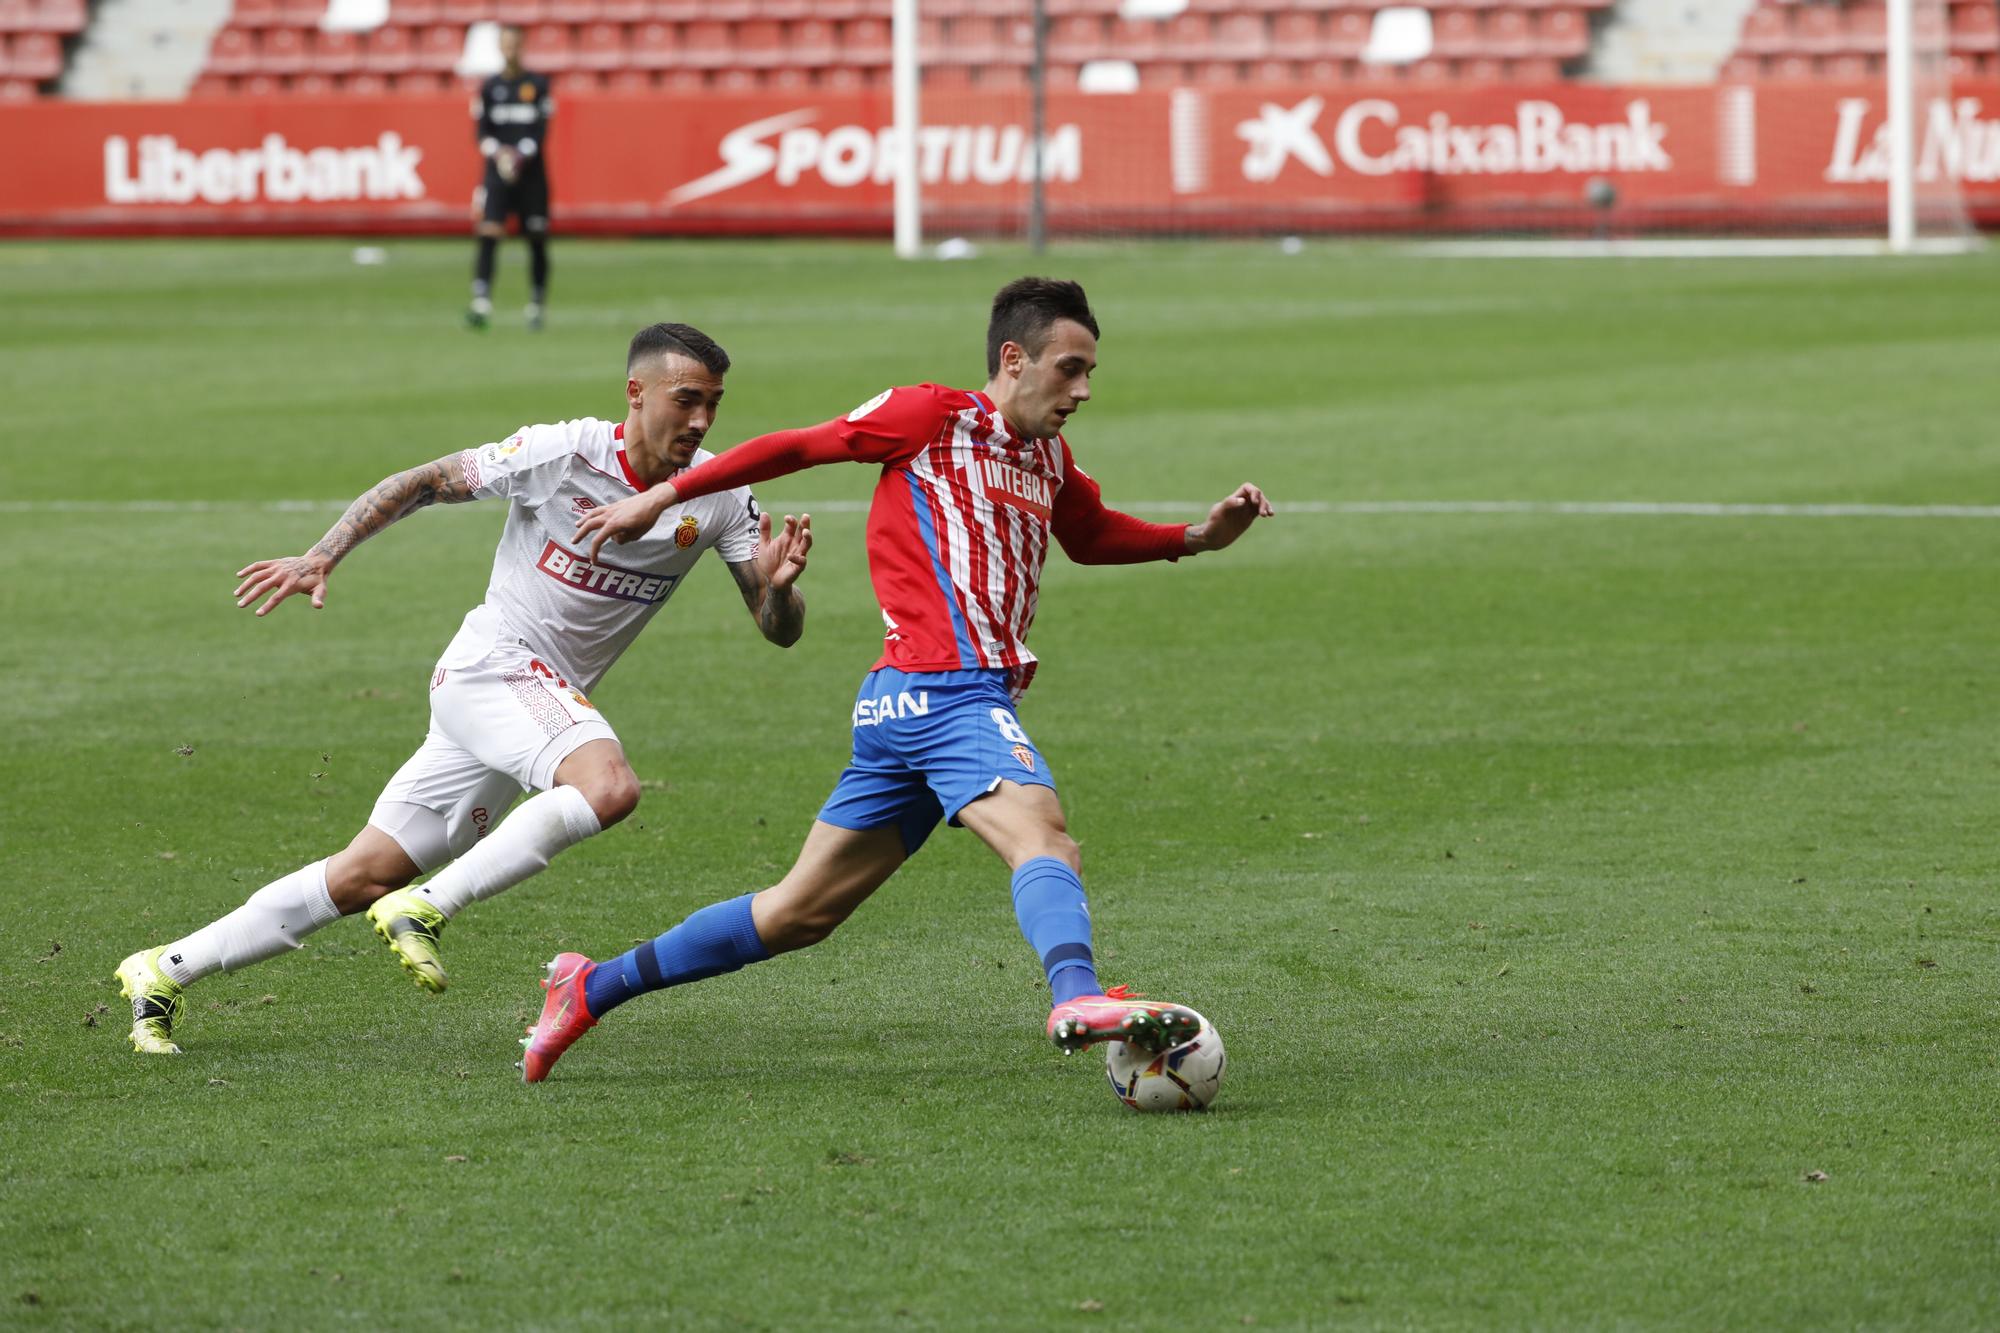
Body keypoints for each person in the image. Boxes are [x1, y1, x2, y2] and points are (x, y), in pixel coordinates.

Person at [516, 277, 1273, 1083]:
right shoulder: (932, 416)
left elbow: (1087, 533)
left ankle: (590, 986)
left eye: (1090, 372)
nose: (1082, 389)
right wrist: (666, 493)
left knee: (797, 912)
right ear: (1013, 359)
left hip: (903, 705)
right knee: (1043, 836)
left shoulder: (1047, 455)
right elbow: (800, 446)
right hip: (944, 686)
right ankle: (1076, 996)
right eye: (1069, 369)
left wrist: (1196, 536)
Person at [114, 323, 813, 1055]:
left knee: (361, 875)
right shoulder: (561, 451)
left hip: (532, 707)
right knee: (608, 786)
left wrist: (781, 588)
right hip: (493, 666)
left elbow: (778, 629)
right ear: (637, 393)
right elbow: (421, 482)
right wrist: (322, 555)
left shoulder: (723, 493)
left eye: (715, 404)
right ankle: (429, 905)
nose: (702, 420)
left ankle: (162, 970)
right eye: (687, 399)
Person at [467, 23, 553, 332]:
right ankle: (481, 301)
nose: (510, 50)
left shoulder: (538, 85)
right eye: (505, 44)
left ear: (522, 46)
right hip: (497, 173)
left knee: (536, 236)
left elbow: (541, 129)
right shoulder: (489, 88)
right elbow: (481, 132)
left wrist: (520, 155)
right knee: (489, 231)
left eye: (515, 44)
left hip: (531, 174)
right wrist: (499, 153)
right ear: (500, 48)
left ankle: (536, 303)